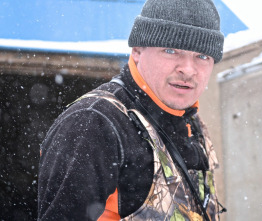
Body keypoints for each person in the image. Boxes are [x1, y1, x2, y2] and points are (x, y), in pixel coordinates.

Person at [37, 0, 225, 220]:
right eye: (171, 50)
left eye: (202, 56)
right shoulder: (94, 122)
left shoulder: (191, 121)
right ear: (137, 50)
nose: (188, 69)